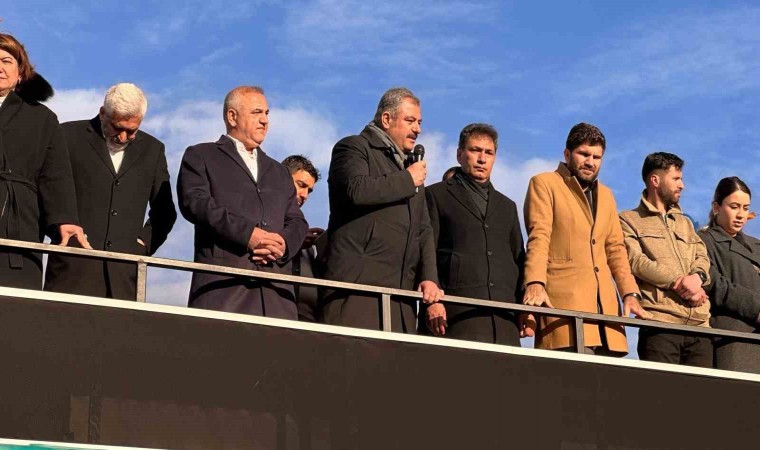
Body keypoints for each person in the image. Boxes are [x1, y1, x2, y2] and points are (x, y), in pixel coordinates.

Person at [177, 86, 307, 319]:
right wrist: (248, 235)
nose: (265, 120)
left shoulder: (278, 171)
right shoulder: (202, 155)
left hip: (276, 297)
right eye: (257, 112)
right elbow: (195, 203)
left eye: (267, 113)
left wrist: (283, 244)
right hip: (224, 292)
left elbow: (297, 220)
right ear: (232, 117)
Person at [321, 87, 443, 332]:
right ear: (386, 119)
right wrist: (407, 180)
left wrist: (429, 277)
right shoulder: (353, 147)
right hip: (357, 292)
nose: (417, 129)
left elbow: (423, 229)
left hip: (401, 299)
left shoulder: (411, 169)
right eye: (410, 120)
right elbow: (356, 190)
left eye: (419, 122)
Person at [522, 123, 648, 354]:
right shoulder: (544, 183)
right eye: (584, 154)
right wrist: (535, 283)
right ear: (567, 154)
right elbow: (539, 237)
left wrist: (629, 293)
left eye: (596, 157)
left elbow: (616, 249)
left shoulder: (607, 195)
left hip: (607, 316)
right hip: (564, 309)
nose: (590, 162)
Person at [45, 83, 176, 300]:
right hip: (71, 271)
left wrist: (142, 245)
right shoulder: (66, 136)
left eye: (131, 131)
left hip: (124, 280)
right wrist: (59, 228)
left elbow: (165, 212)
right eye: (117, 127)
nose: (123, 137)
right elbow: (47, 191)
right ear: (102, 113)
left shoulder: (153, 150)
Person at [422, 123, 528, 345]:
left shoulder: (507, 206)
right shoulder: (436, 195)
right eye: (475, 150)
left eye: (488, 153)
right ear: (460, 154)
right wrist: (433, 302)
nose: (482, 158)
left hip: (504, 321)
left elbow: (518, 258)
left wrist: (525, 310)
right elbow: (425, 250)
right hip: (454, 318)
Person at [0, 33, 88, 290]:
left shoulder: (42, 118)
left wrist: (65, 219)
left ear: (20, 72)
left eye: (6, 61)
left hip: (20, 229)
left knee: (14, 308)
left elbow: (55, 176)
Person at [619, 152, 712, 367]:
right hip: (660, 325)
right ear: (655, 180)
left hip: (700, 326)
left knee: (704, 390)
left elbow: (701, 254)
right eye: (676, 178)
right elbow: (636, 261)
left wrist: (697, 278)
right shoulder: (628, 220)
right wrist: (680, 282)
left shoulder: (685, 222)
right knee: (663, 389)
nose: (682, 185)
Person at [698, 177, 760, 373]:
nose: (741, 214)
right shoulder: (703, 241)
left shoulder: (757, 245)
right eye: (734, 207)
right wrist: (756, 308)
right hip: (734, 339)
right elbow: (714, 283)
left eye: (745, 208)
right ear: (716, 207)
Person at [281, 154, 323, 322]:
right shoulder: (260, 218)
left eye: (309, 190)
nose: (305, 195)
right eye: (301, 185)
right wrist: (293, 240)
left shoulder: (307, 241)